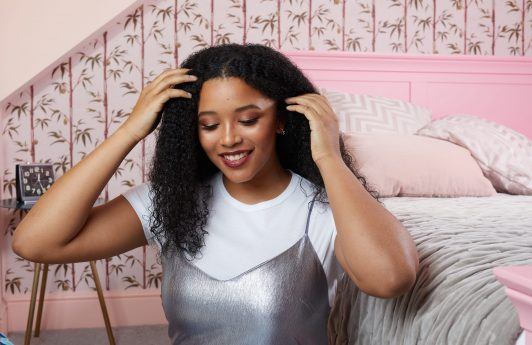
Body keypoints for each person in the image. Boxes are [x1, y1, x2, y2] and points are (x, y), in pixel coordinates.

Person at [12, 43, 419, 344]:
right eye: (209, 125)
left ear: (280, 120)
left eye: (248, 119)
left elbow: (391, 278)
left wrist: (329, 156)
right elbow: (35, 242)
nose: (228, 139)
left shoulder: (320, 209)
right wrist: (130, 131)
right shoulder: (171, 202)